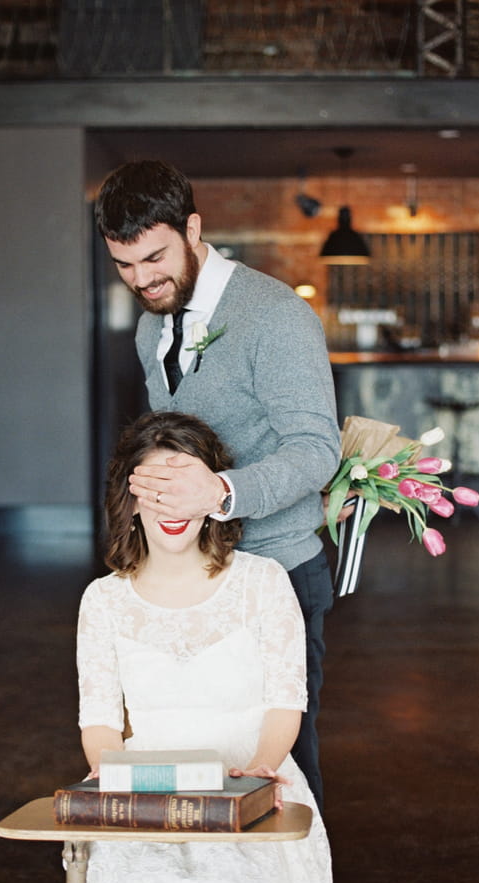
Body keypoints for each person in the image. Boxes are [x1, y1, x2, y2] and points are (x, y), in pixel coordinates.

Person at [94, 160, 341, 812]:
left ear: (194, 227)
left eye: (155, 258)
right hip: (194, 578)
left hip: (279, 571)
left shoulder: (276, 315)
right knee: (201, 748)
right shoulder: (152, 323)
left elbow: (317, 451)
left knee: (278, 763)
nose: (142, 280)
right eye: (124, 265)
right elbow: (169, 436)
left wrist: (220, 493)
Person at [77, 411, 332, 883]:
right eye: (155, 490)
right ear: (128, 501)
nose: (171, 506)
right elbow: (100, 719)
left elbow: (285, 702)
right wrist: (110, 771)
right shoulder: (102, 600)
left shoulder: (263, 582)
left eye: (184, 487)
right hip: (146, 792)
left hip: (251, 780)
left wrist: (261, 771)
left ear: (213, 495)